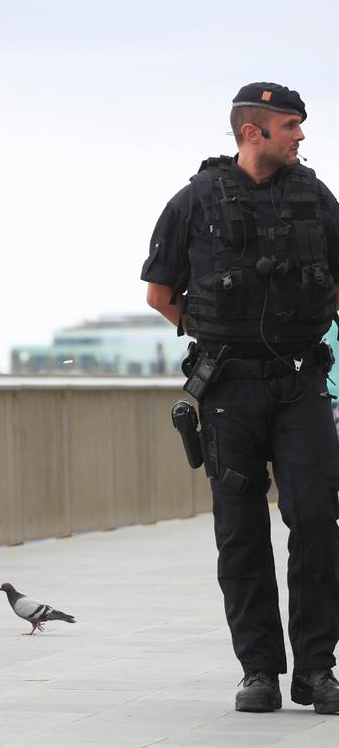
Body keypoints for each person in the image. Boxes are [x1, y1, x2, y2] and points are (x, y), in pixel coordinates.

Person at [142, 82, 339, 715]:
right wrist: (217, 334)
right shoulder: (194, 201)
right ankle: (259, 671)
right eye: (290, 125)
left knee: (317, 519)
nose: (301, 135)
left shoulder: (316, 197)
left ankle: (316, 670)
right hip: (229, 388)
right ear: (253, 132)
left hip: (301, 382)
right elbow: (160, 294)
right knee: (240, 529)